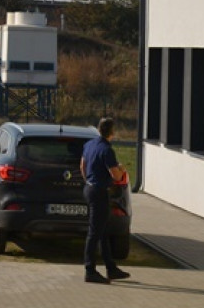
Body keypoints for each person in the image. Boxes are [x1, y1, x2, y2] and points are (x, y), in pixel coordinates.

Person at [80, 117, 131, 284]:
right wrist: (122, 170)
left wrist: (88, 179)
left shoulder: (90, 144)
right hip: (99, 192)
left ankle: (111, 267)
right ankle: (90, 270)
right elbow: (115, 175)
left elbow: (82, 165)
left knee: (102, 230)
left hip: (89, 188)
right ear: (112, 132)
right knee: (95, 232)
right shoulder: (107, 150)